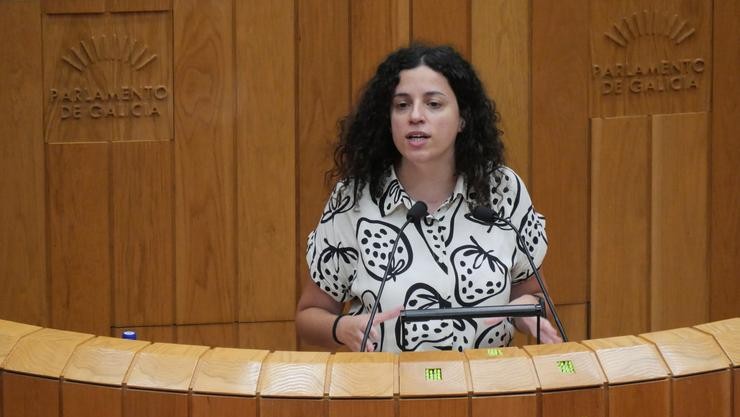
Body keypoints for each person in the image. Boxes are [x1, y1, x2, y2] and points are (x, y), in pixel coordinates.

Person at [296, 44, 561, 353]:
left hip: (489, 390)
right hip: (389, 393)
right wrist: (342, 329)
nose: (416, 116)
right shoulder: (355, 200)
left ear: (463, 118)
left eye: (433, 104)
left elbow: (532, 295)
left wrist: (527, 315)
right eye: (402, 105)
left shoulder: (502, 190)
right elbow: (308, 316)